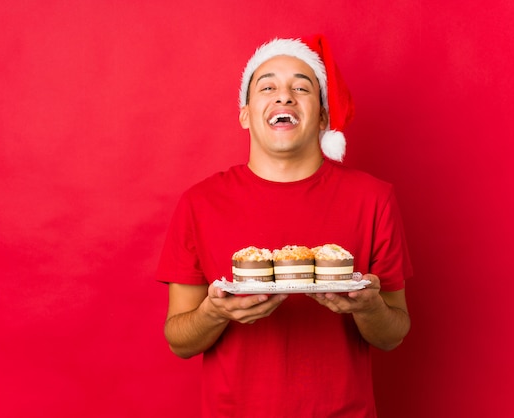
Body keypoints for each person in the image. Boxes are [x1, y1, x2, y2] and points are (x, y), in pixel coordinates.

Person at [156, 34, 412, 418]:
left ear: (323, 116)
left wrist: (369, 308)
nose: (284, 96)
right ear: (245, 113)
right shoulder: (200, 203)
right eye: (268, 86)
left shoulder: (374, 198)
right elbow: (180, 341)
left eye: (301, 87)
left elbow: (393, 334)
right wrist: (215, 313)